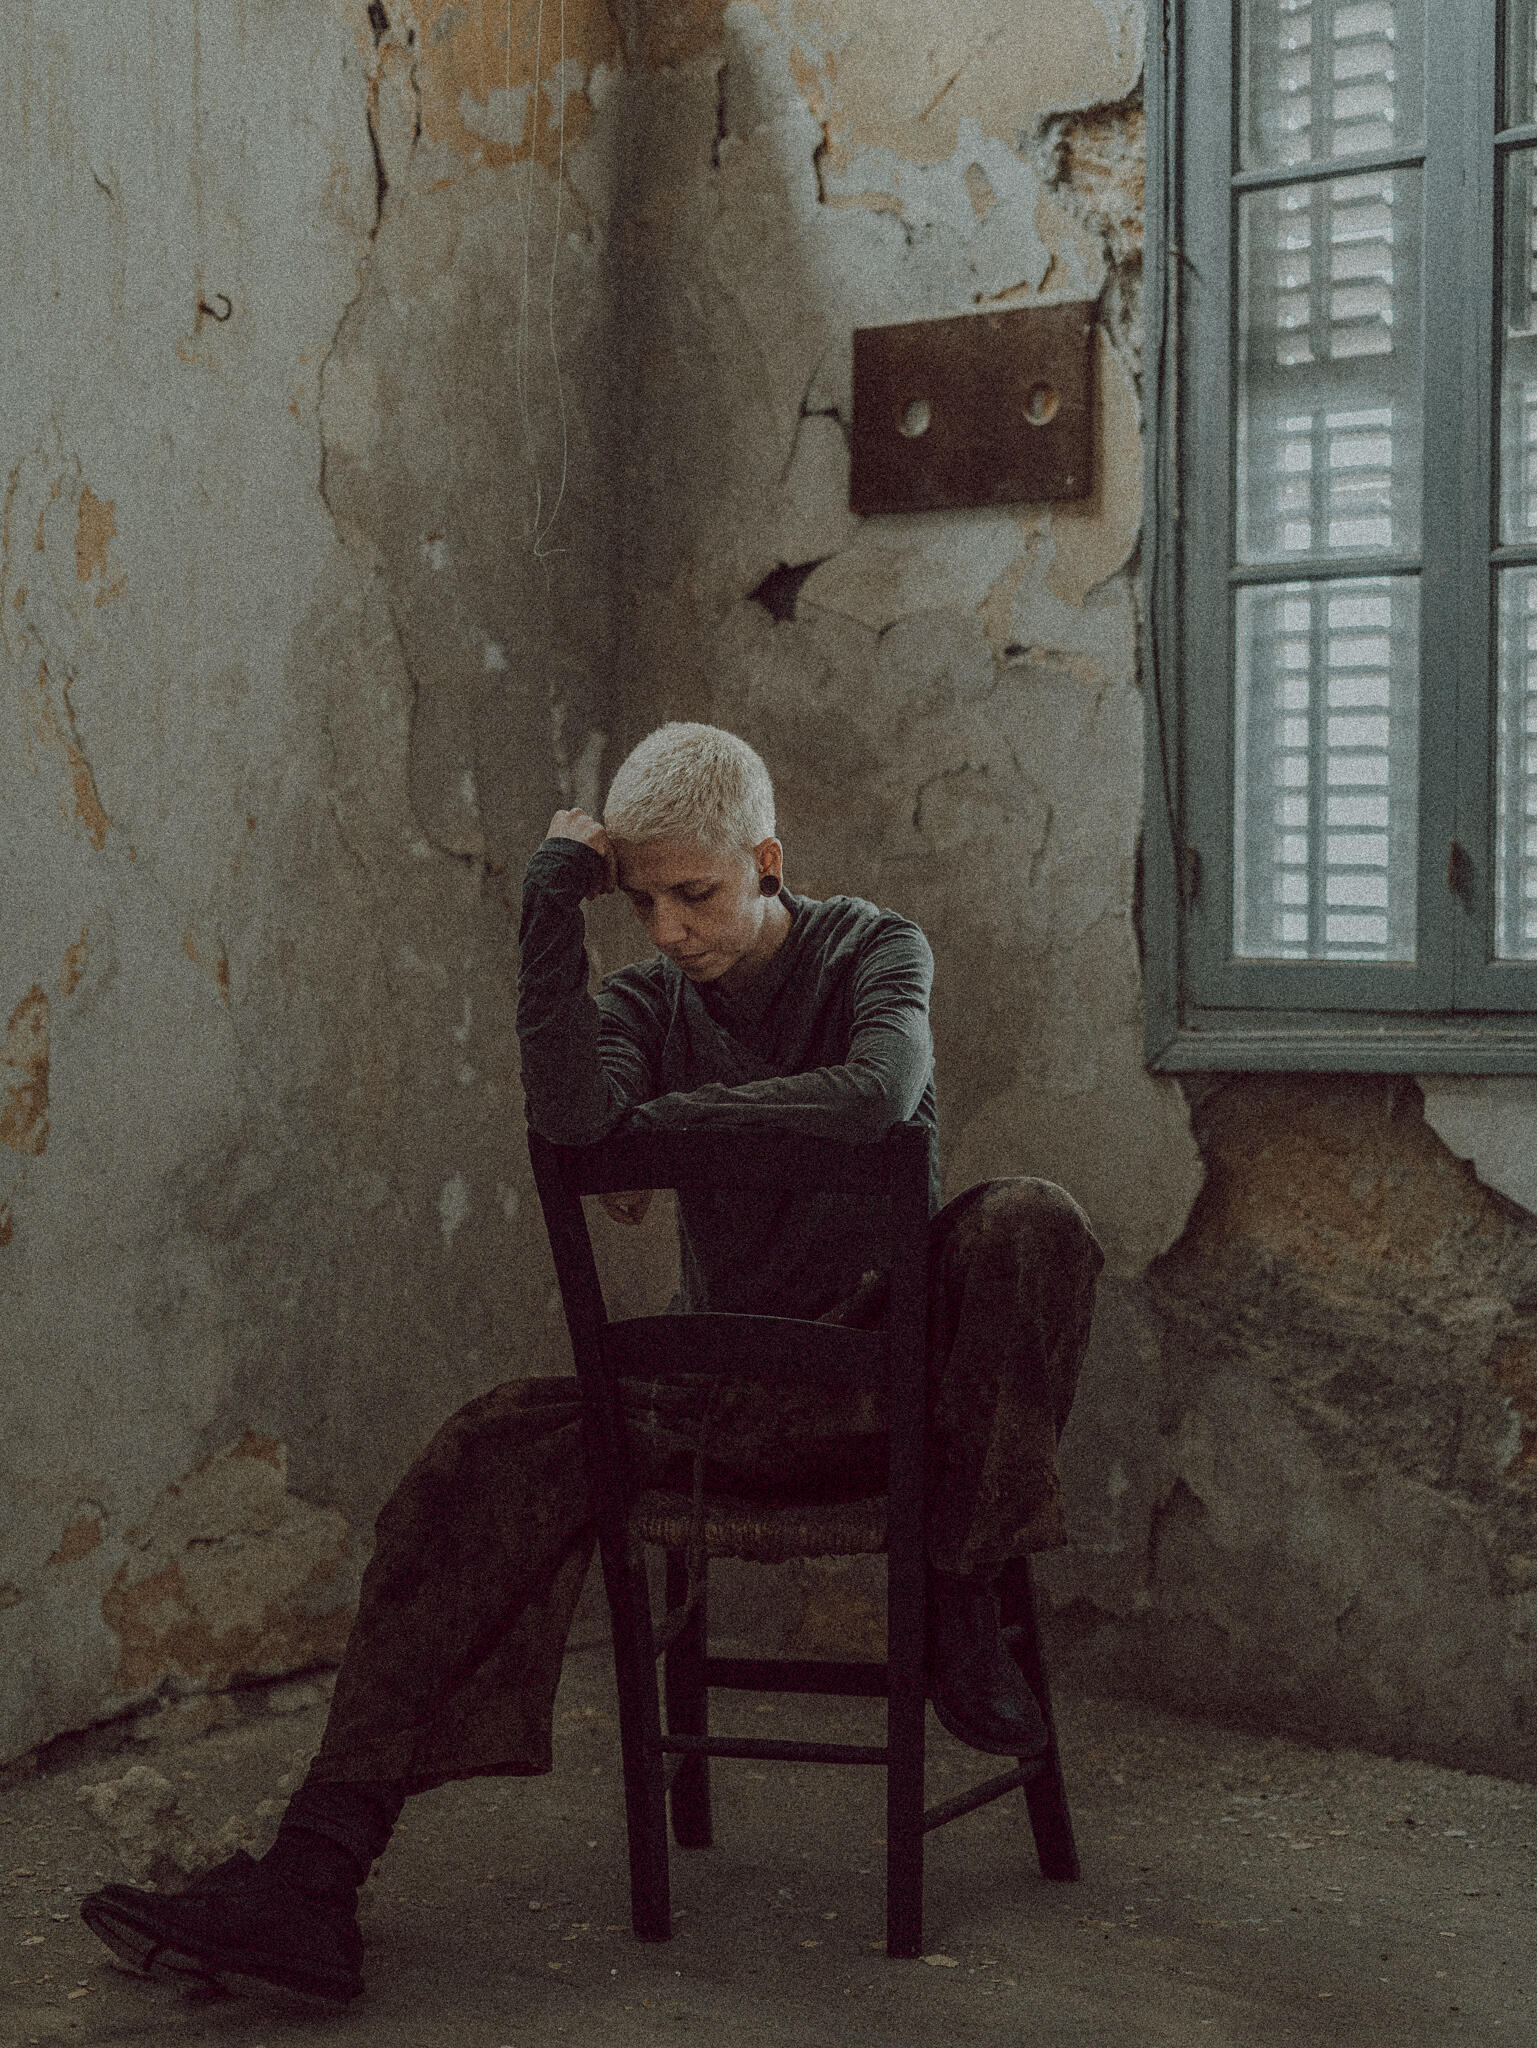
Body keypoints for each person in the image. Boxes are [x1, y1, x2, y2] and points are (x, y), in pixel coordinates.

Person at [80, 722, 1103, 2004]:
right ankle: (312, 1877)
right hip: (719, 1405)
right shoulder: (643, 999)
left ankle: (955, 1582)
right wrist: (545, 908)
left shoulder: (874, 947)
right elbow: (571, 1119)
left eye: (697, 893)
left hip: (896, 1402)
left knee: (1032, 1221)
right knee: (482, 1451)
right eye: (642, 901)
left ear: (768, 860)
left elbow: (873, 1095)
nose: (669, 928)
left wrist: (654, 1129)